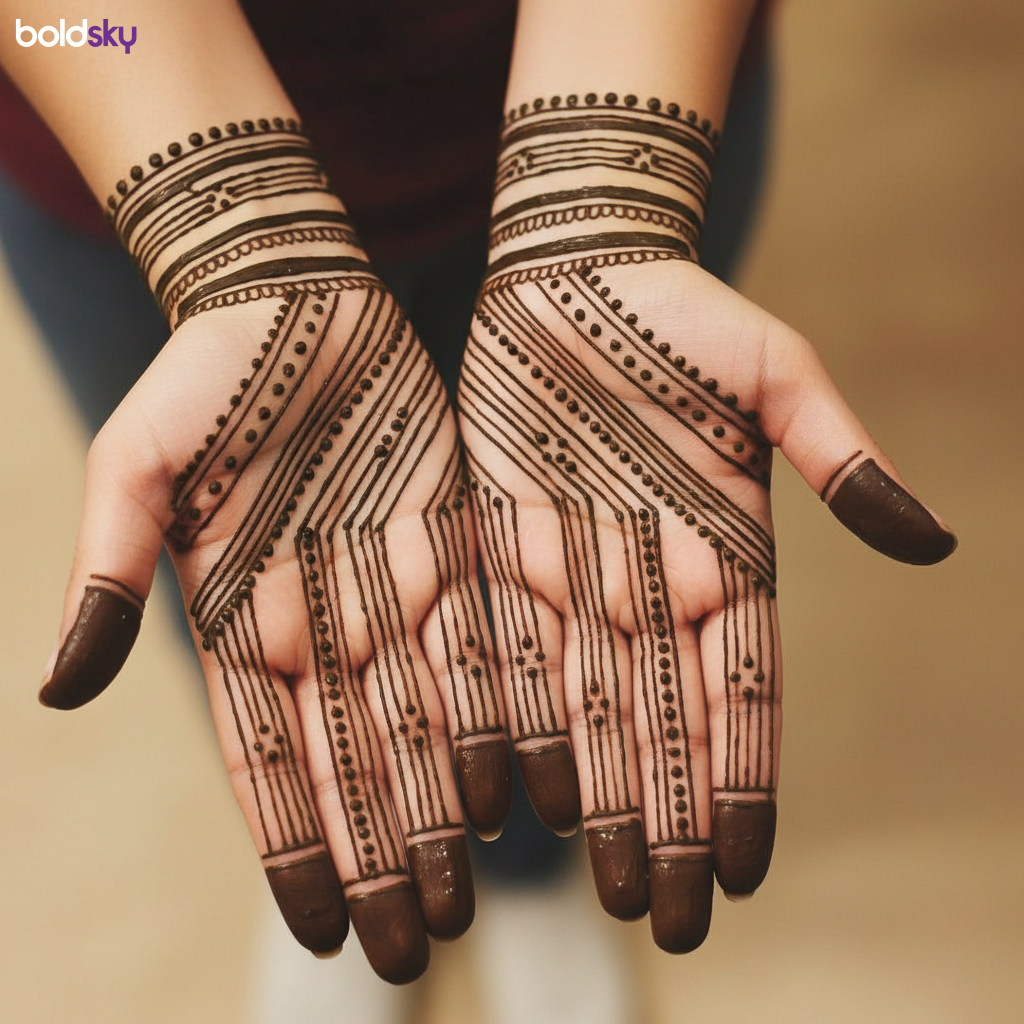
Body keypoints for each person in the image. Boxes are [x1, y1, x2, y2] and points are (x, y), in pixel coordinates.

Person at [0, 0, 955, 1012]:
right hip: (107, 111)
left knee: (580, 579)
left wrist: (598, 187)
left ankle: (533, 870)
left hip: (638, 80)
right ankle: (364, 832)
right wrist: (234, 231)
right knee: (269, 579)